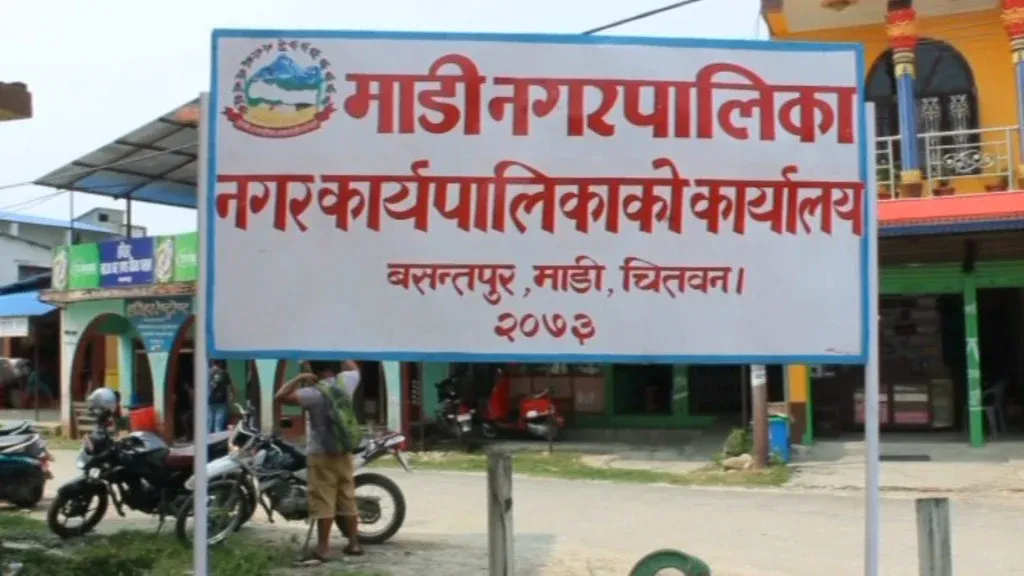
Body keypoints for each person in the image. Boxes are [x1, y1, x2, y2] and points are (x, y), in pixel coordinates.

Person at [276, 360, 363, 564]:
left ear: (314, 370)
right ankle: (354, 543)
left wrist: (300, 378)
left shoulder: (313, 393)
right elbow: (355, 368)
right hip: (344, 450)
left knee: (324, 500)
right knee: (347, 497)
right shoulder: (346, 382)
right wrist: (335, 350)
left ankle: (323, 548)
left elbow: (280, 397)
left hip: (321, 453)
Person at [208, 360, 232, 432]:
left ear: (213, 363)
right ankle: (217, 438)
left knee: (209, 423)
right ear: (220, 364)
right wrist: (231, 397)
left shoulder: (207, 373)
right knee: (218, 424)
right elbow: (230, 387)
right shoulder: (224, 373)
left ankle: (208, 438)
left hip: (210, 401)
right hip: (221, 401)